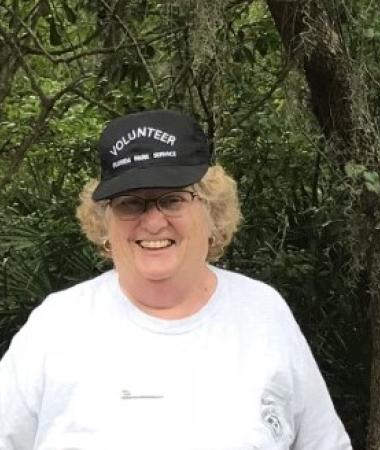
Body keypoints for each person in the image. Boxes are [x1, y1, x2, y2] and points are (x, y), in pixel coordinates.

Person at [0, 110, 351, 449]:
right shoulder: (57, 326)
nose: (153, 222)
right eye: (129, 203)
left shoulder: (263, 312)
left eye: (172, 199)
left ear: (212, 211)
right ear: (104, 222)